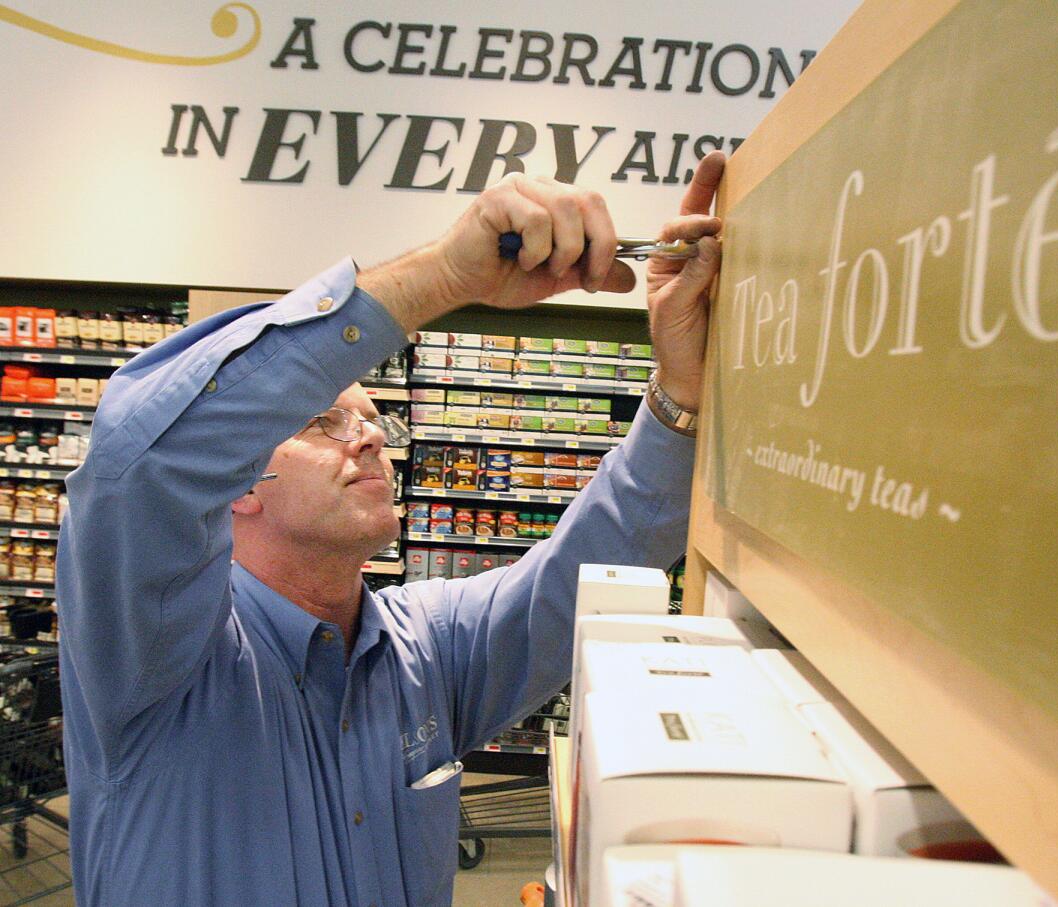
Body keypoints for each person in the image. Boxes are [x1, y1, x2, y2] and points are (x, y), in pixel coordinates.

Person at [56, 151, 726, 906]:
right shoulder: (156, 658)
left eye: (375, 419)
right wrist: (443, 276)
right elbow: (138, 461)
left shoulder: (426, 648)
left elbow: (597, 558)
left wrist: (678, 391)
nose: (371, 437)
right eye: (323, 421)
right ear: (234, 474)